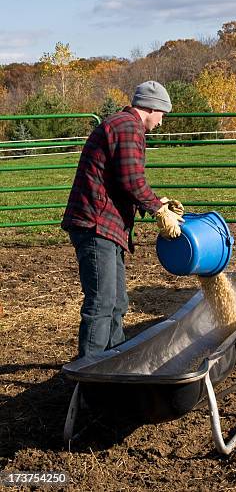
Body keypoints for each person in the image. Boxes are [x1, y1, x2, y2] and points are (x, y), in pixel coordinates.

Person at [62, 80, 184, 358]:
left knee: (117, 302)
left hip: (105, 224)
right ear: (152, 107)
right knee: (102, 302)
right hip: (96, 224)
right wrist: (157, 209)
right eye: (162, 114)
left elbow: (121, 180)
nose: (162, 122)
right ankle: (89, 375)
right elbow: (132, 180)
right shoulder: (128, 127)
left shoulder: (122, 125)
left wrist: (157, 202)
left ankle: (113, 363)